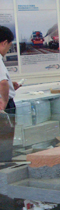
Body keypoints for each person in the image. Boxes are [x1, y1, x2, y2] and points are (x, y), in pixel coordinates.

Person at [0, 26, 21, 162]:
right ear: (4, 43)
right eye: (9, 46)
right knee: (5, 139)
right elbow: (2, 83)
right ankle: (5, 165)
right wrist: (4, 101)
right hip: (5, 107)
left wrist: (10, 86)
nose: (8, 50)